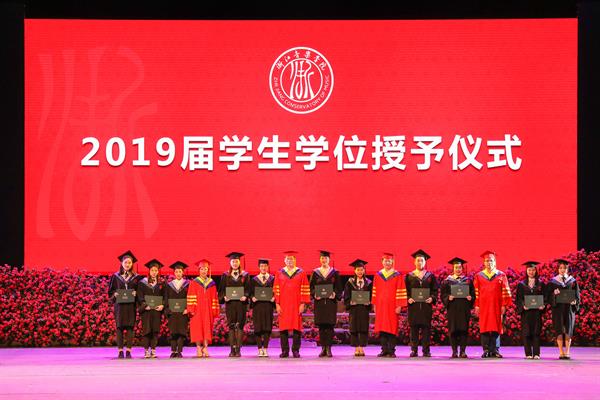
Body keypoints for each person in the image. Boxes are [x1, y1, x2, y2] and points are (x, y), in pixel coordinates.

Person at [473, 250, 512, 358]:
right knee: (484, 326)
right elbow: (476, 292)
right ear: (484, 263)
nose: (489, 263)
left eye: (491, 260)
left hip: (496, 305)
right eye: (487, 261)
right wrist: (477, 305)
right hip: (484, 305)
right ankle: (486, 350)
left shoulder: (501, 275)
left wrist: (504, 305)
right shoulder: (479, 276)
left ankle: (495, 350)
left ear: (495, 262)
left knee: (496, 326)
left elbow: (505, 291)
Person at [274, 250, 310, 358]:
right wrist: (277, 304)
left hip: (296, 303)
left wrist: (303, 303)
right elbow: (276, 289)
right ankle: (285, 350)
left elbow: (305, 289)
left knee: (297, 328)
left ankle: (295, 350)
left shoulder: (301, 273)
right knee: (283, 328)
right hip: (283, 304)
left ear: (295, 260)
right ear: (284, 261)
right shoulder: (279, 272)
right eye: (288, 259)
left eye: (292, 259)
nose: (290, 261)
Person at [372, 252, 407, 358]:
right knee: (382, 328)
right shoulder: (378, 275)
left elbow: (401, 290)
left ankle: (391, 350)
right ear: (382, 262)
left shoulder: (397, 275)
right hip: (381, 306)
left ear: (392, 262)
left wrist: (399, 305)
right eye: (385, 261)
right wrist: (375, 304)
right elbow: (375, 291)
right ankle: (384, 350)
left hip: (393, 306)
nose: (387, 263)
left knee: (392, 327)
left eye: (389, 261)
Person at [310, 250, 344, 358]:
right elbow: (311, 287)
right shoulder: (315, 273)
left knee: (329, 326)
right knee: (321, 326)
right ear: (320, 259)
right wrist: (314, 294)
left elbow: (339, 288)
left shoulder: (335, 272)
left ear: (329, 259)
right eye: (322, 258)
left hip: (330, 302)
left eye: (325, 258)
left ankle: (329, 348)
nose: (324, 260)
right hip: (319, 303)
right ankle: (323, 348)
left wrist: (335, 294)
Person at [108, 250, 140, 359]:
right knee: (119, 328)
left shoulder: (136, 277)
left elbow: (140, 291)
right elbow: (110, 291)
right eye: (125, 262)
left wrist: (136, 294)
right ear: (122, 263)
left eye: (129, 262)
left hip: (130, 306)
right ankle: (120, 351)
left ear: (132, 264)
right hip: (120, 306)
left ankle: (129, 351)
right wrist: (115, 294)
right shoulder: (116, 276)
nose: (127, 264)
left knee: (130, 328)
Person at [405, 249, 438, 357]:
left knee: (426, 329)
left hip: (425, 306)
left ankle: (426, 350)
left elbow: (435, 291)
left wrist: (432, 298)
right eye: (418, 260)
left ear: (425, 262)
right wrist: (408, 298)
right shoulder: (409, 276)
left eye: (422, 260)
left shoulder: (430, 276)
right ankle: (414, 350)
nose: (420, 262)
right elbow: (405, 291)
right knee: (413, 329)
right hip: (413, 306)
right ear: (414, 262)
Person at [218, 252, 251, 357]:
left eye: (236, 261)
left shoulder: (245, 275)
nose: (235, 263)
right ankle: (232, 349)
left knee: (240, 325)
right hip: (230, 304)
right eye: (233, 261)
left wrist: (245, 296)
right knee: (231, 325)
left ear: (239, 262)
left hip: (241, 304)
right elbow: (221, 290)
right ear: (230, 262)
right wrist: (224, 297)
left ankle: (238, 350)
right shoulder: (225, 275)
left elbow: (248, 289)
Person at [440, 257, 474, 358]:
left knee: (464, 330)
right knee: (453, 330)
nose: (458, 269)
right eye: (456, 267)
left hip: (464, 309)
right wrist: (448, 297)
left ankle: (463, 351)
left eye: (460, 267)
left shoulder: (468, 281)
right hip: (452, 309)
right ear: (453, 268)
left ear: (462, 268)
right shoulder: (447, 281)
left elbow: (473, 294)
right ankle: (454, 351)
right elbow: (443, 295)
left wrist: (470, 298)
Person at [547, 258, 581, 360]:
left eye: (564, 268)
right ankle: (561, 352)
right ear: (558, 269)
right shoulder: (553, 282)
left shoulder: (572, 281)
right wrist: (554, 294)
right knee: (559, 329)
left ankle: (567, 352)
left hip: (569, 309)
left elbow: (577, 295)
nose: (562, 270)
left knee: (568, 330)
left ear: (567, 269)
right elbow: (548, 296)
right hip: (558, 309)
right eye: (561, 268)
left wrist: (575, 302)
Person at [187, 259, 220, 358]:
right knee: (197, 327)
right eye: (202, 269)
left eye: (205, 269)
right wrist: (191, 309)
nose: (204, 271)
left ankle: (205, 347)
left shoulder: (212, 283)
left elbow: (214, 297)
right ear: (199, 270)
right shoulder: (194, 282)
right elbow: (191, 296)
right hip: (197, 309)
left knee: (207, 327)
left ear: (208, 270)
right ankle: (198, 348)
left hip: (208, 309)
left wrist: (214, 309)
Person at [515, 261, 546, 359]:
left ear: (536, 271)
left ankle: (536, 353)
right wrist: (523, 306)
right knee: (526, 333)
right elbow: (518, 299)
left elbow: (545, 297)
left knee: (536, 332)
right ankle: (528, 353)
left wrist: (543, 305)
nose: (531, 272)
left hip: (537, 312)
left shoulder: (541, 283)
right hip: (526, 312)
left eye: (533, 270)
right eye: (529, 270)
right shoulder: (521, 285)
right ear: (526, 271)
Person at [343, 259, 372, 357]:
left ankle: (362, 347)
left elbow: (371, 295)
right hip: (354, 309)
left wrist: (369, 302)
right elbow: (346, 296)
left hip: (364, 309)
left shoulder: (368, 283)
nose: (360, 272)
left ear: (364, 270)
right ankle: (356, 348)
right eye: (358, 270)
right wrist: (350, 302)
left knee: (363, 327)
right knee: (354, 327)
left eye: (361, 270)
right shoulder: (350, 282)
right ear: (354, 270)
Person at [137, 259, 165, 358]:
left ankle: (153, 350)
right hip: (147, 311)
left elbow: (164, 297)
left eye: (156, 270)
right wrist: (145, 306)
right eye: (152, 270)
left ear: (158, 271)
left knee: (155, 330)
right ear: (149, 271)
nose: (154, 272)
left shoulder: (161, 283)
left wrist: (162, 305)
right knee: (147, 330)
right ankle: (146, 350)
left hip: (156, 311)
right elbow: (140, 297)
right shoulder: (142, 283)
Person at [164, 260, 190, 358]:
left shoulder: (187, 284)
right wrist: (167, 309)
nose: (178, 273)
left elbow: (189, 297)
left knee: (181, 332)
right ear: (174, 273)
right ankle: (173, 350)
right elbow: (166, 298)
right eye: (176, 271)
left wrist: (187, 309)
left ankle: (179, 351)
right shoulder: (169, 285)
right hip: (173, 312)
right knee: (173, 332)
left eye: (180, 271)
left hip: (183, 312)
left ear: (183, 272)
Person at [250, 258, 275, 357]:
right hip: (258, 306)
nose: (263, 268)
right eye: (261, 266)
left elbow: (276, 291)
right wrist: (252, 297)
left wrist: (274, 298)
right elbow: (251, 292)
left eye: (265, 266)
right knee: (258, 327)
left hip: (268, 305)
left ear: (268, 267)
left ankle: (265, 348)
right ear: (259, 267)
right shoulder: (254, 280)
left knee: (267, 327)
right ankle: (260, 349)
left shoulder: (272, 279)